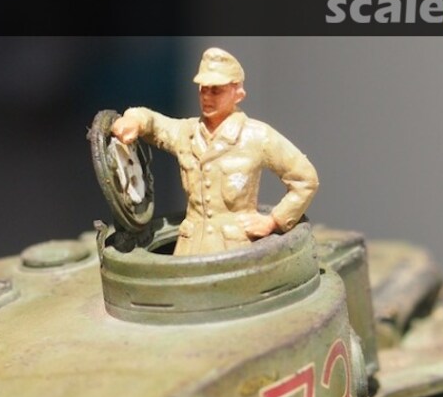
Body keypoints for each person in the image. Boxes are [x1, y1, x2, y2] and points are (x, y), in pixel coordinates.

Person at [111, 48, 319, 256]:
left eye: (216, 90)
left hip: (235, 251)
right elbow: (155, 124)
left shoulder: (257, 136)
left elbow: (305, 179)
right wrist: (134, 120)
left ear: (238, 94)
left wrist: (274, 221)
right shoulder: (187, 133)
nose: (207, 97)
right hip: (189, 249)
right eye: (203, 89)